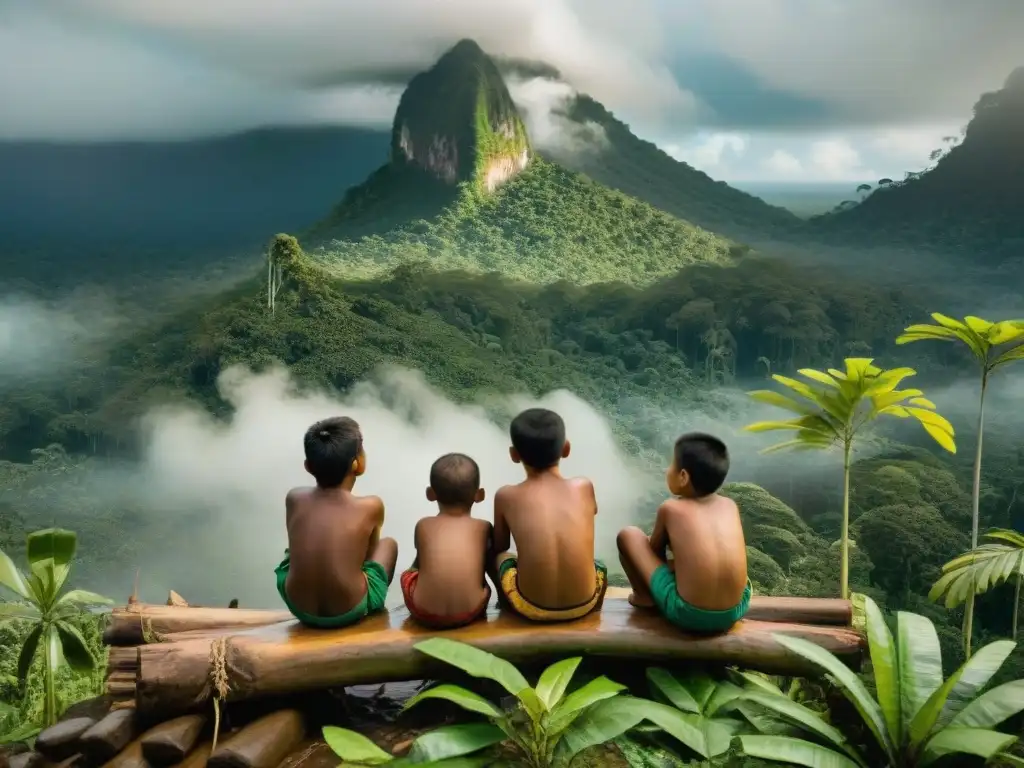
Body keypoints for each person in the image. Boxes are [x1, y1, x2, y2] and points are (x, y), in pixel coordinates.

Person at [616, 432, 750, 634]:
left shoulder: (671, 509)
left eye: (671, 465)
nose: (666, 469)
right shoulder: (730, 505)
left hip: (688, 614)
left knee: (629, 535)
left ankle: (644, 598)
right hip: (736, 608)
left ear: (683, 477)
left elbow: (653, 554)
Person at [274, 416, 398, 628]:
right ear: (357, 464)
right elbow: (368, 557)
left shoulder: (293, 498)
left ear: (308, 466)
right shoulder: (371, 506)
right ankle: (371, 610)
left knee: (293, 552)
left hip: (298, 606)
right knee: (388, 545)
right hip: (350, 611)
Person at [491, 408, 607, 622]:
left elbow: (499, 545)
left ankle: (505, 606)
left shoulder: (506, 496)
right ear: (566, 449)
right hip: (586, 604)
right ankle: (596, 611)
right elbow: (592, 513)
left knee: (497, 555)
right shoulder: (584, 486)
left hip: (529, 606)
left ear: (514, 455)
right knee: (598, 565)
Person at [400, 453, 494, 629]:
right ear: (479, 495)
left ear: (430, 494)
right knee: (484, 566)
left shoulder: (423, 525)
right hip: (470, 613)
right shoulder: (484, 527)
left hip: (423, 613)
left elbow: (420, 564)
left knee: (409, 573)